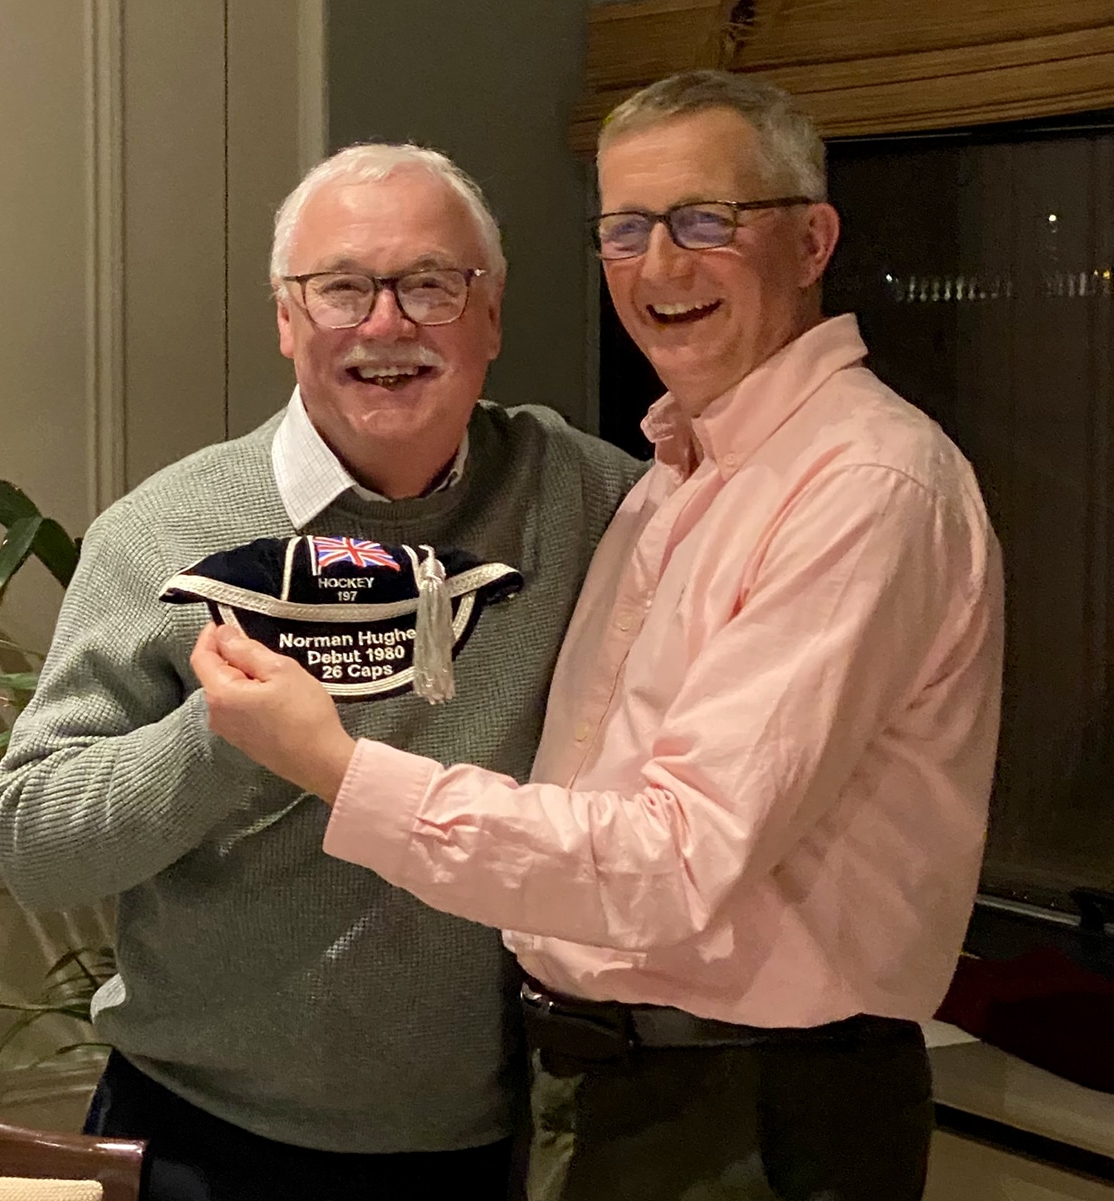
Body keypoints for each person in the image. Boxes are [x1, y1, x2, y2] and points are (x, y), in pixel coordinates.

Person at [190, 71, 1005, 1201]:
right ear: (285, 316)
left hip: (750, 1113)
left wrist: (330, 764)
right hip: (600, 1087)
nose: (660, 267)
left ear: (813, 239)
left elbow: (675, 860)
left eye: (707, 221)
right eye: (624, 227)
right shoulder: (667, 477)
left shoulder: (861, 487)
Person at [0, 143, 643, 1201]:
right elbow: (34, 846)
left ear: (491, 318)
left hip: (485, 1145)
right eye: (341, 289)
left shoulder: (591, 503)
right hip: (199, 1137)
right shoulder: (163, 534)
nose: (386, 326)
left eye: (432, 284)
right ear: (287, 319)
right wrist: (221, 740)